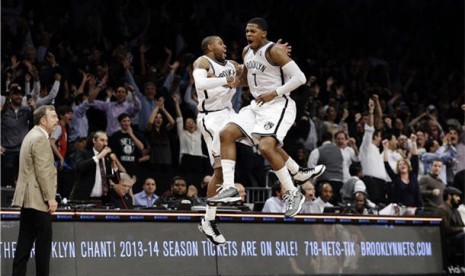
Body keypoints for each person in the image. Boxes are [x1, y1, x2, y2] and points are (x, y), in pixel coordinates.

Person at [194, 34, 324, 245]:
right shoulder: (203, 62)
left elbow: (248, 77)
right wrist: (226, 80)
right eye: (220, 42)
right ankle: (208, 220)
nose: (224, 45)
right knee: (219, 170)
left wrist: (272, 55)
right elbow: (200, 83)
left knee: (265, 141)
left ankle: (296, 171)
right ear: (210, 46)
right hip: (211, 118)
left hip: (229, 113)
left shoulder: (232, 65)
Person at [11, 105, 59, 276]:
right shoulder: (40, 138)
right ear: (43, 120)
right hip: (39, 201)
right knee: (43, 249)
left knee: (23, 247)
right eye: (53, 117)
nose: (57, 120)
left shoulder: (30, 135)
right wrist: (50, 198)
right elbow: (43, 171)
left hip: (27, 200)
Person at [70, 131, 119, 202]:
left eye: (106, 141)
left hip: (103, 200)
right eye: (102, 140)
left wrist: (114, 164)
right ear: (94, 140)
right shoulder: (83, 153)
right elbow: (80, 167)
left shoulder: (107, 158)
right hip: (84, 199)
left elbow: (117, 181)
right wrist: (99, 156)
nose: (105, 144)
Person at [383, 134, 423, 208]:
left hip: (413, 209)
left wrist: (414, 142)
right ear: (398, 168)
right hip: (399, 210)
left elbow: (415, 158)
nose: (402, 165)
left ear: (408, 166)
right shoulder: (395, 178)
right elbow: (386, 164)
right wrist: (385, 148)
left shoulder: (413, 176)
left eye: (404, 164)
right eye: (400, 164)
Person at [435, 186, 464, 261]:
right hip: (448, 239)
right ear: (449, 196)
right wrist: (462, 229)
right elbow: (446, 229)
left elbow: (461, 225)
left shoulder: (456, 211)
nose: (459, 199)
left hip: (458, 237)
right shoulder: (441, 210)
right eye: (456, 196)